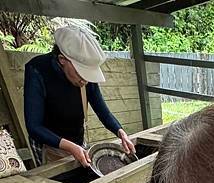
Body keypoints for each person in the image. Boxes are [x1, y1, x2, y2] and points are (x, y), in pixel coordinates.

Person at [24, 26, 135, 166]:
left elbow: (103, 111)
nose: (85, 81)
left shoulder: (85, 77)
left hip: (77, 141)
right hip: (48, 144)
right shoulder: (37, 70)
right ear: (62, 59)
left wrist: (121, 133)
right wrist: (70, 147)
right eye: (81, 74)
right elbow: (34, 126)